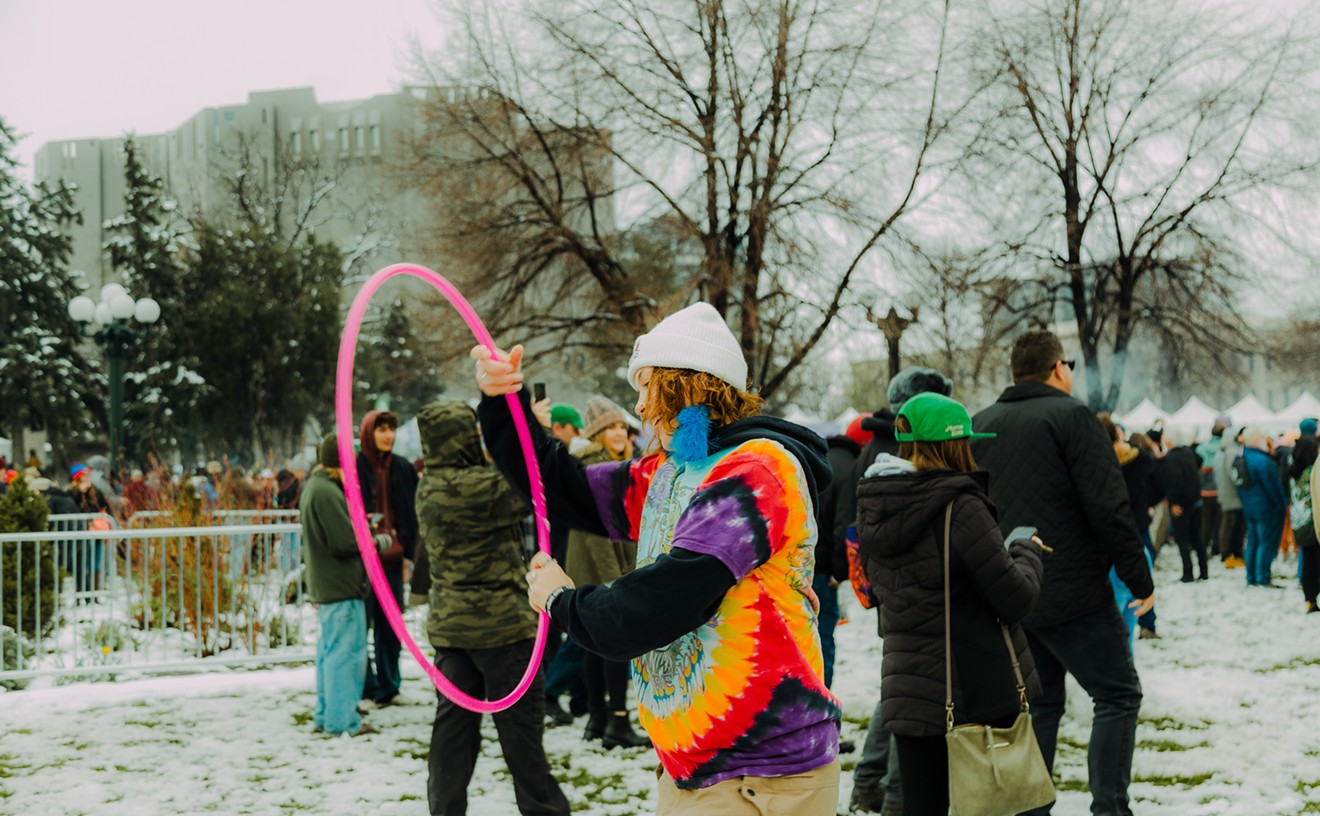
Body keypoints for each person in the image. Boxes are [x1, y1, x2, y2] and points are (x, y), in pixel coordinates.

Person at [473, 301, 841, 813]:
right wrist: (499, 404)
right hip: (695, 767)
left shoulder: (757, 472)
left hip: (763, 774)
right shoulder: (670, 472)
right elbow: (562, 486)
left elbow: (663, 600)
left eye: (647, 387)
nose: (641, 407)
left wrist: (562, 599)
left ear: (684, 384)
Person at [970, 329, 1153, 816]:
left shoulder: (980, 422)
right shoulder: (1072, 416)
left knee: (1041, 706)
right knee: (1117, 694)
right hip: (1072, 591)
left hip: (1009, 591)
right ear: (1058, 368)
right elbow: (1109, 507)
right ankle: (1110, 809)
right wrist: (1141, 580)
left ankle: (1033, 811)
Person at [855, 393, 1044, 816]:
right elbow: (1015, 598)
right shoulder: (960, 506)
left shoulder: (875, 504)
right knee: (992, 805)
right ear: (956, 445)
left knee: (922, 807)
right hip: (967, 687)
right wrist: (1025, 552)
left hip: (908, 690)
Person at [414, 400, 571, 816]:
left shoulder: (428, 486)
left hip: (452, 633)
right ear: (465, 437)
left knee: (452, 735)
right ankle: (545, 811)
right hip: (502, 632)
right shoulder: (478, 487)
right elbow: (530, 485)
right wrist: (533, 432)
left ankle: (444, 810)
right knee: (522, 740)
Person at [841, 367, 952, 816]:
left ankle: (870, 784)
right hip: (910, 594)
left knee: (898, 693)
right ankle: (894, 795)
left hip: (889, 590)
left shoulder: (876, 449)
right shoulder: (901, 453)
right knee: (912, 701)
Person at [563, 396, 650, 749]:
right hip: (601, 567)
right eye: (610, 427)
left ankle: (598, 721)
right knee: (612, 646)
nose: (618, 433)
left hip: (612, 565)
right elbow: (595, 534)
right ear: (597, 434)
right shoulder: (594, 468)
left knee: (596, 648)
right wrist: (616, 578)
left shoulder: (623, 464)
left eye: (621, 427)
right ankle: (616, 722)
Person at [299, 433, 376, 737]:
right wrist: (375, 540)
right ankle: (342, 721)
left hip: (330, 585)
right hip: (340, 587)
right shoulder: (327, 492)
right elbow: (345, 540)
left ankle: (327, 715)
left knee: (330, 654)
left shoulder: (315, 487)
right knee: (345, 656)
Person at [356, 409, 420, 705]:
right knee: (361, 628)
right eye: (381, 429)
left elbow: (412, 511)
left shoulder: (403, 467)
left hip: (393, 561)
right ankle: (367, 687)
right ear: (369, 432)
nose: (388, 435)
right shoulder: (355, 467)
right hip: (362, 564)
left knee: (391, 628)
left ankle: (390, 685)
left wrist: (411, 549)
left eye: (391, 429)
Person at [1099, 414, 1159, 639]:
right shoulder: (1137, 458)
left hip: (1110, 534)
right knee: (1139, 579)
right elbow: (1155, 475)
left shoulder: (1092, 463)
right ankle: (1148, 623)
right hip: (1133, 526)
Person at [1236, 426, 1287, 588]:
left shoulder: (1240, 458)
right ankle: (1262, 576)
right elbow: (1273, 488)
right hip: (1267, 508)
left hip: (1249, 506)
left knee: (1253, 542)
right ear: (1258, 440)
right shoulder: (1262, 461)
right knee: (1266, 543)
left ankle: (1251, 576)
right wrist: (1282, 505)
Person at [1159, 430, 1207, 582]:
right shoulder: (1188, 452)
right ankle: (1204, 571)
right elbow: (1200, 459)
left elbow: (1175, 482)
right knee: (1197, 538)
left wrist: (1174, 503)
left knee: (1182, 539)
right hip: (1196, 500)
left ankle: (1188, 573)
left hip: (1183, 504)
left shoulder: (1172, 458)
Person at [1288, 435, 1318, 613]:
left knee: (1308, 562)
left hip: (1299, 522)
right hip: (1314, 522)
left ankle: (1310, 599)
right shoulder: (1312, 471)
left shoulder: (1293, 471)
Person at [1213, 426, 1247, 568]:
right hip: (1233, 496)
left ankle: (1227, 554)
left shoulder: (1220, 452)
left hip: (1224, 494)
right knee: (1234, 528)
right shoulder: (1232, 452)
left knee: (1226, 526)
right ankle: (1231, 555)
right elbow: (1234, 474)